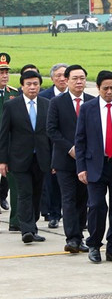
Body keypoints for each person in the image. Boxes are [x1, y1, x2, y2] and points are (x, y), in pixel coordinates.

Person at [75, 71, 112, 264]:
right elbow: (80, 140)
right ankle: (94, 245)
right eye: (105, 88)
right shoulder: (88, 109)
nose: (109, 92)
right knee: (97, 206)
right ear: (98, 88)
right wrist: (81, 167)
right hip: (95, 165)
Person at [0, 69, 51, 244]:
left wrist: (53, 159)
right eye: (28, 84)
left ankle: (32, 225)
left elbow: (50, 134)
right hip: (19, 159)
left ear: (39, 86)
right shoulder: (11, 106)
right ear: (22, 86)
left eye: (35, 84)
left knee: (37, 193)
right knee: (24, 193)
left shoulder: (46, 104)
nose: (32, 87)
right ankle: (26, 230)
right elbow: (4, 134)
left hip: (41, 158)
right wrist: (3, 160)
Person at [47, 65, 93, 254]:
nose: (79, 82)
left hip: (87, 160)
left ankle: (80, 235)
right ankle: (72, 238)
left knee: (83, 199)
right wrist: (70, 148)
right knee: (69, 198)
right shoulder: (57, 103)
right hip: (65, 160)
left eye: (82, 78)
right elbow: (51, 130)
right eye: (75, 78)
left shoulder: (92, 102)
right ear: (67, 80)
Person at [39, 63, 68, 229]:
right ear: (52, 78)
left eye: (65, 75)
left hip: (73, 147)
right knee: (53, 184)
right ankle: (54, 214)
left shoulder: (79, 97)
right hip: (51, 146)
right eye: (58, 75)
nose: (62, 79)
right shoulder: (45, 97)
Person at [0, 53, 17, 221]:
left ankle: (15, 220)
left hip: (9, 142)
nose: (4, 75)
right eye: (1, 72)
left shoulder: (14, 93)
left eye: (6, 72)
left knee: (9, 175)